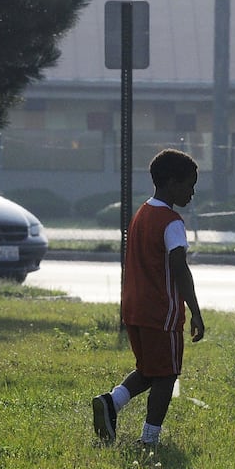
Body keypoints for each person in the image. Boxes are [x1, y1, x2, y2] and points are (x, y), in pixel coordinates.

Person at [92, 148, 205, 446]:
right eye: (189, 184)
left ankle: (111, 402)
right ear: (170, 182)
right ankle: (149, 440)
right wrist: (195, 311)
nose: (192, 191)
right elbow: (180, 270)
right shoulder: (172, 222)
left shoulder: (142, 213)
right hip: (161, 312)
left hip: (134, 309)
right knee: (167, 375)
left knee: (149, 370)